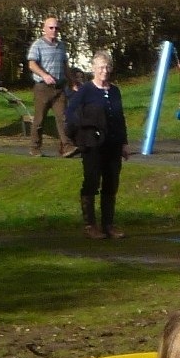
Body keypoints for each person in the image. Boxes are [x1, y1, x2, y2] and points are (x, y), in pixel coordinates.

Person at [63, 51, 128, 239]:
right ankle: (90, 225)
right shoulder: (86, 91)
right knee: (92, 182)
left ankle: (108, 225)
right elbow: (71, 114)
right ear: (93, 69)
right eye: (100, 67)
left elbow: (120, 118)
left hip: (113, 144)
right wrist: (81, 135)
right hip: (92, 145)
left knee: (111, 183)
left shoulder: (115, 91)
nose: (104, 71)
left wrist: (124, 143)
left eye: (107, 67)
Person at [25, 16, 71, 156]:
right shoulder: (38, 45)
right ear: (44, 29)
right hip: (43, 88)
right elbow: (31, 64)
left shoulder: (61, 45)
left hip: (59, 87)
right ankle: (35, 147)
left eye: (56, 28)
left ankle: (67, 146)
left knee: (63, 117)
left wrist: (72, 82)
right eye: (51, 28)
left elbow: (65, 65)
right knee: (39, 119)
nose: (54, 30)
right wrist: (44, 75)